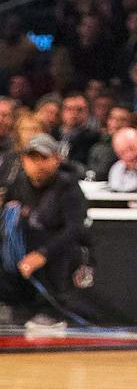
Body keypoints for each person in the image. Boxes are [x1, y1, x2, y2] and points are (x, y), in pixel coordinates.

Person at [0, 134, 84, 331]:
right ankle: (12, 305)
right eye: (32, 158)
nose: (37, 164)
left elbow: (75, 230)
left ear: (56, 159)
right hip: (24, 249)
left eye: (43, 158)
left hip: (59, 250)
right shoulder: (18, 183)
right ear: (23, 160)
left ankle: (52, 312)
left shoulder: (69, 187)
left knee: (63, 253)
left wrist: (42, 254)